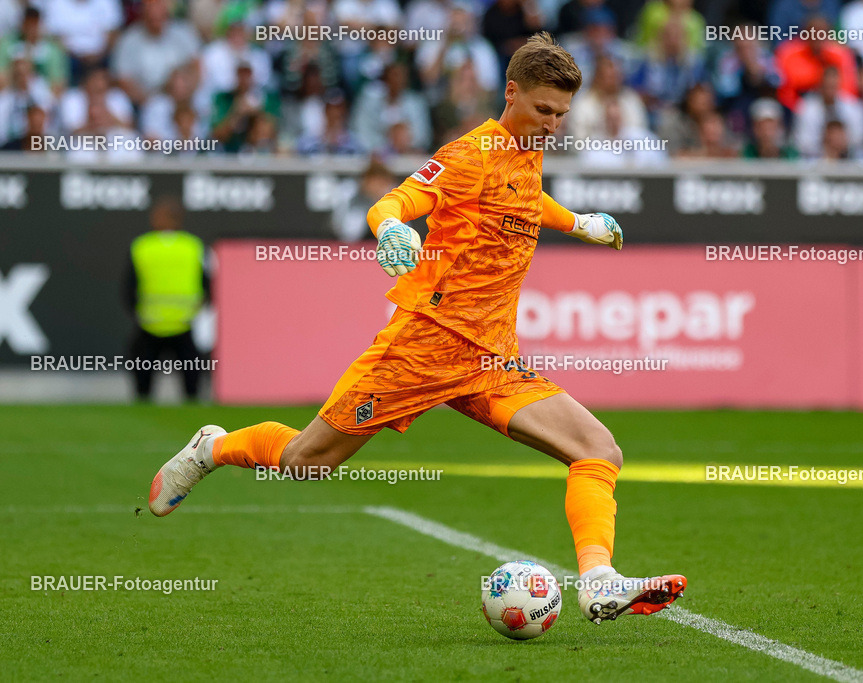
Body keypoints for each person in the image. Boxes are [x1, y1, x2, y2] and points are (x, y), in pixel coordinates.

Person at [148, 32, 686, 625]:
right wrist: (389, 229)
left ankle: (599, 581)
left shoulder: (529, 148)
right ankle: (212, 448)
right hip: (424, 347)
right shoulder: (468, 154)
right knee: (308, 460)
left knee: (598, 449)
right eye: (542, 110)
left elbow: (524, 201)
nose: (552, 124)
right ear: (511, 94)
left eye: (561, 114)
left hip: (492, 359)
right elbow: (396, 200)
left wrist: (576, 221)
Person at [124, 196, 210, 401]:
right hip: (183, 321)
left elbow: (129, 287)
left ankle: (143, 401)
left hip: (149, 322)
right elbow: (206, 283)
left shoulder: (143, 246)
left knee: (142, 378)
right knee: (191, 378)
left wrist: (137, 312)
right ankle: (192, 406)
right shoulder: (193, 246)